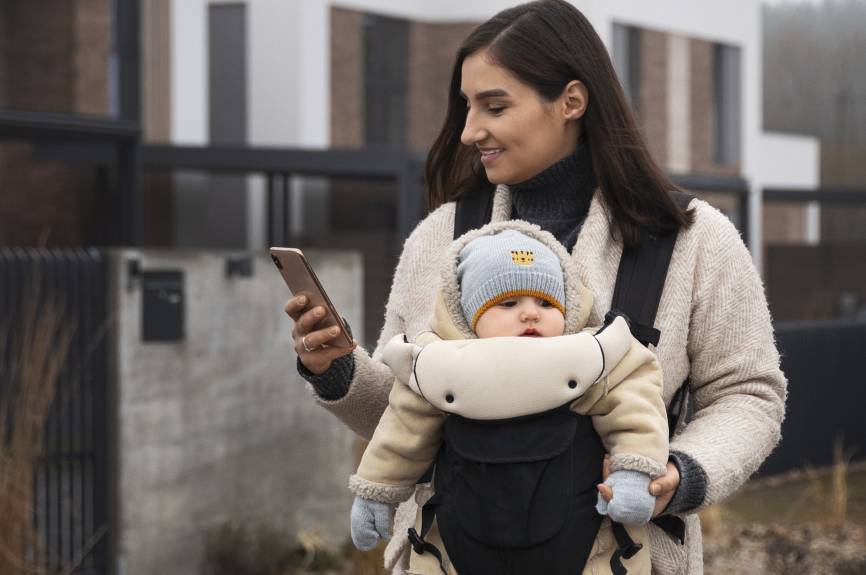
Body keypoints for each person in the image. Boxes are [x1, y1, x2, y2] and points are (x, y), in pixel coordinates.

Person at [284, 1, 787, 573]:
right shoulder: (440, 236)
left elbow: (749, 394)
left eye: (495, 106)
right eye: (466, 106)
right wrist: (339, 370)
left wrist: (678, 472)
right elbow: (409, 415)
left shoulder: (693, 241)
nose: (472, 130)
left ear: (571, 100)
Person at [348, 223, 668, 574]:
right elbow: (402, 433)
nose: (530, 313)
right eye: (509, 302)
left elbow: (635, 409)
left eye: (546, 302)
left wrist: (634, 472)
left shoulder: (591, 358)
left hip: (581, 542)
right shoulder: (436, 365)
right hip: (461, 543)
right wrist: (377, 490)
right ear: (469, 314)